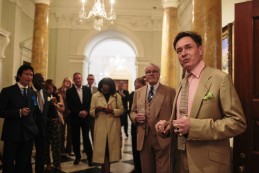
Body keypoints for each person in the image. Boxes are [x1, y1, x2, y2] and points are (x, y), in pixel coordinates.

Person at [156, 31, 247, 173]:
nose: (183, 53)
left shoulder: (220, 79)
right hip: (179, 160)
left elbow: (237, 123)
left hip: (208, 164)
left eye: (188, 47)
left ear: (200, 50)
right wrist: (169, 126)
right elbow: (184, 119)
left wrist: (194, 127)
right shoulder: (181, 84)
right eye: (179, 50)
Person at [130, 63, 176, 173]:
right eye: (148, 72)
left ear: (159, 74)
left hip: (163, 138)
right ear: (145, 76)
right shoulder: (138, 93)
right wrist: (135, 117)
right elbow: (132, 111)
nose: (151, 73)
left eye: (154, 71)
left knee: (163, 170)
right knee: (146, 169)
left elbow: (175, 113)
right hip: (143, 138)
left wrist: (169, 125)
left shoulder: (170, 91)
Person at [0, 64, 37, 173]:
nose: (29, 77)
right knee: (8, 164)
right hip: (12, 134)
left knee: (23, 164)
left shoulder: (32, 93)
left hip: (27, 135)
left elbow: (34, 111)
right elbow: (1, 111)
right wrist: (18, 112)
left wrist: (34, 129)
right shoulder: (7, 91)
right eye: (26, 74)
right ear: (19, 75)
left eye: (31, 75)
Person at [90, 77, 124, 173]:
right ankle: (105, 171)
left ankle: (106, 171)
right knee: (102, 151)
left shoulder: (116, 96)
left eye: (107, 86)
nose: (105, 88)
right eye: (103, 86)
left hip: (113, 127)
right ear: (101, 86)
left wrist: (112, 111)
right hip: (100, 127)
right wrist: (97, 109)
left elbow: (122, 110)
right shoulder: (95, 96)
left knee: (109, 151)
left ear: (111, 87)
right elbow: (91, 111)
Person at [66, 72, 93, 166]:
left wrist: (86, 111)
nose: (77, 80)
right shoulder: (69, 91)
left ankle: (90, 158)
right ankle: (77, 157)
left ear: (82, 79)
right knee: (75, 139)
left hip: (86, 118)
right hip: (75, 118)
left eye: (79, 78)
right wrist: (79, 112)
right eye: (76, 78)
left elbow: (90, 103)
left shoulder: (87, 90)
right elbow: (70, 105)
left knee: (86, 138)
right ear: (73, 80)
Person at [29, 73, 50, 173]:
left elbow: (47, 111)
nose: (42, 83)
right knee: (27, 152)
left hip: (42, 128)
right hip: (29, 127)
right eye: (40, 81)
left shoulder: (46, 93)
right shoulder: (28, 92)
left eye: (43, 81)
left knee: (41, 152)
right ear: (33, 80)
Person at [44, 79, 65, 171]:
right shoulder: (43, 95)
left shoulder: (58, 95)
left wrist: (55, 104)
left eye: (51, 87)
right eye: (48, 88)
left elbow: (62, 109)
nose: (50, 89)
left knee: (56, 144)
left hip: (56, 122)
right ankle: (48, 163)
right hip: (45, 122)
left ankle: (57, 163)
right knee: (46, 145)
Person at [128, 77, 146, 173]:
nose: (137, 90)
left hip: (146, 126)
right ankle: (137, 167)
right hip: (135, 126)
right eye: (136, 87)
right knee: (135, 148)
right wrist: (134, 117)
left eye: (139, 87)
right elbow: (130, 111)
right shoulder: (132, 95)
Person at [58, 77, 73, 155]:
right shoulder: (59, 90)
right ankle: (61, 149)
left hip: (70, 114)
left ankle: (69, 149)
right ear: (63, 82)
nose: (68, 82)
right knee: (62, 131)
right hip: (62, 113)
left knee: (70, 133)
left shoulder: (72, 91)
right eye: (66, 81)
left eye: (69, 81)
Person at [86, 74, 98, 143]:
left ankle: (95, 146)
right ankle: (86, 147)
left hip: (93, 112)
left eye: (92, 79)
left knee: (93, 130)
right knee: (85, 131)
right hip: (86, 112)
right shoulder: (83, 87)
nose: (91, 80)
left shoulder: (96, 89)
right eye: (89, 79)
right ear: (87, 79)